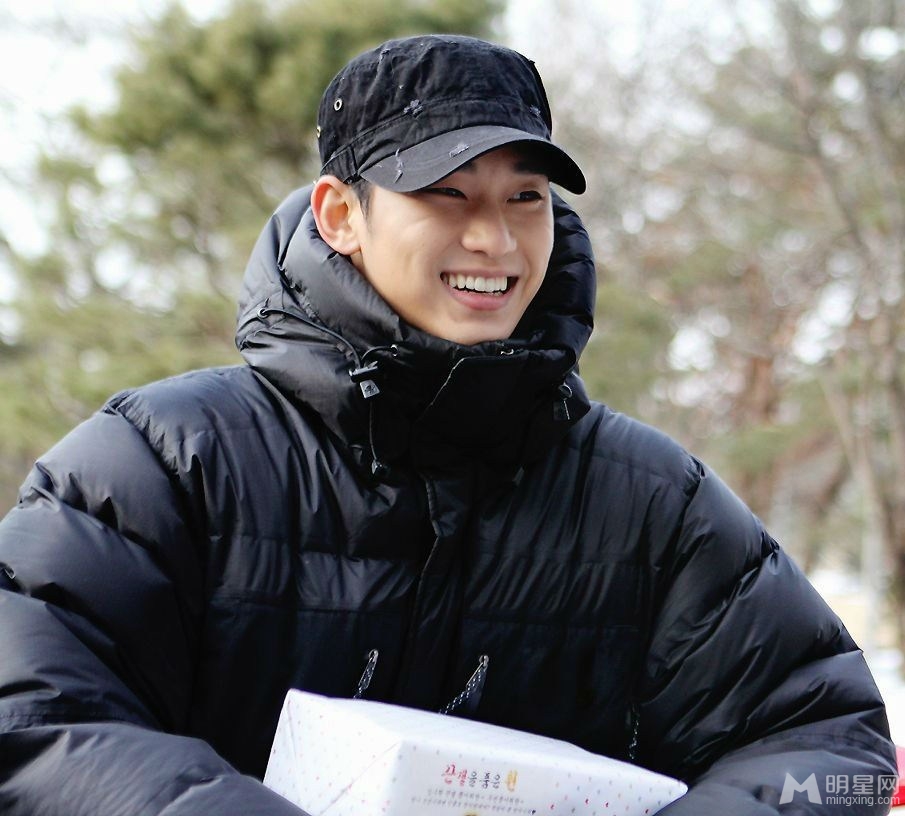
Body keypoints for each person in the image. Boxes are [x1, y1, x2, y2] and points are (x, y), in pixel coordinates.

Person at [0, 33, 896, 816]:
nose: (495, 242)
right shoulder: (163, 461)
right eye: (445, 193)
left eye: (524, 198)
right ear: (340, 215)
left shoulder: (655, 502)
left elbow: (826, 741)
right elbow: (33, 715)